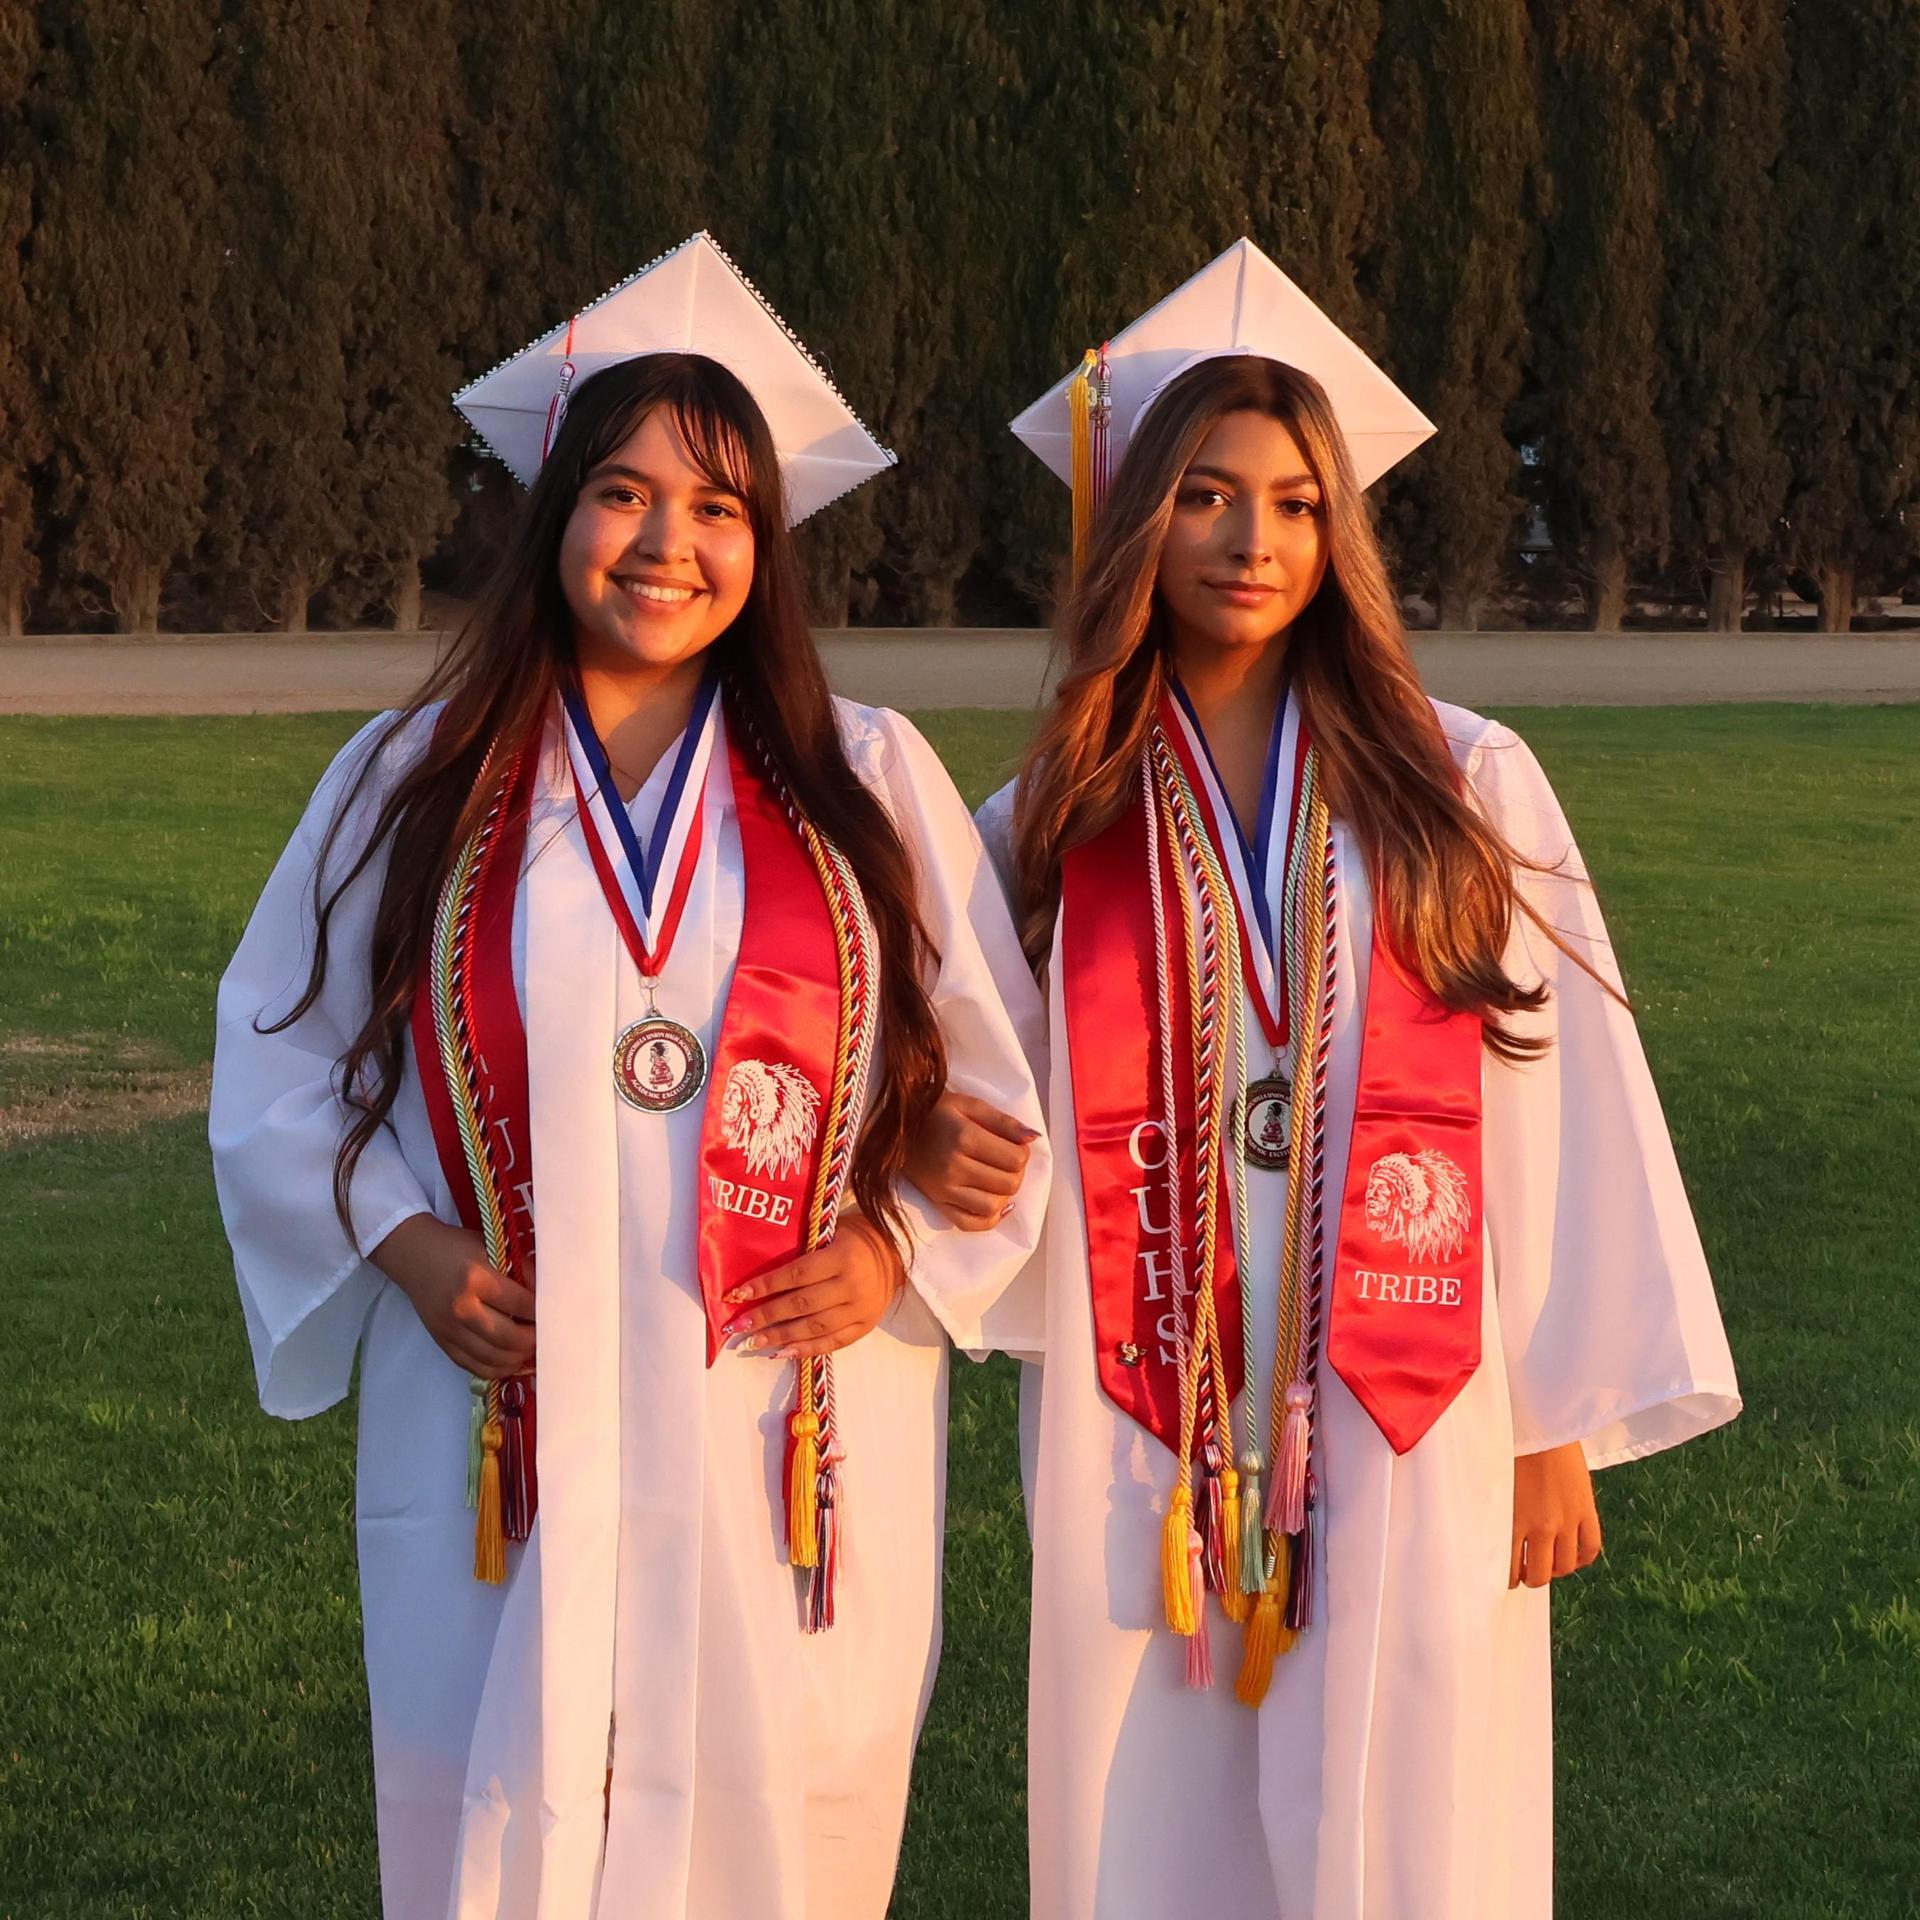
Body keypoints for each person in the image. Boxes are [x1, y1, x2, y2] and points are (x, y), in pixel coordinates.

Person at [209, 232, 1049, 1920]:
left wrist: (896, 1244)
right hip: (503, 1410)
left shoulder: (864, 775)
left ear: (770, 545)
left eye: (719, 507)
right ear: (551, 517)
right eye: (623, 494)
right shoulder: (417, 778)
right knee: (508, 1818)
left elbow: (993, 1097)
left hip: (790, 1420)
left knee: (779, 1826)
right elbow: (273, 1063)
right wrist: (407, 1243)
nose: (667, 544)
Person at [973, 238, 1740, 1919]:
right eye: (1206, 496)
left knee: (1410, 1807)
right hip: (1145, 1409)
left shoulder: (1461, 779)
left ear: (1342, 532)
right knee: (1144, 1817)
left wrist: (1556, 1425)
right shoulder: (1052, 817)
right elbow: (984, 1101)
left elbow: (1564, 1100)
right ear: (1137, 518)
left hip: (1416, 1402)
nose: (1255, 540)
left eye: (1300, 502)